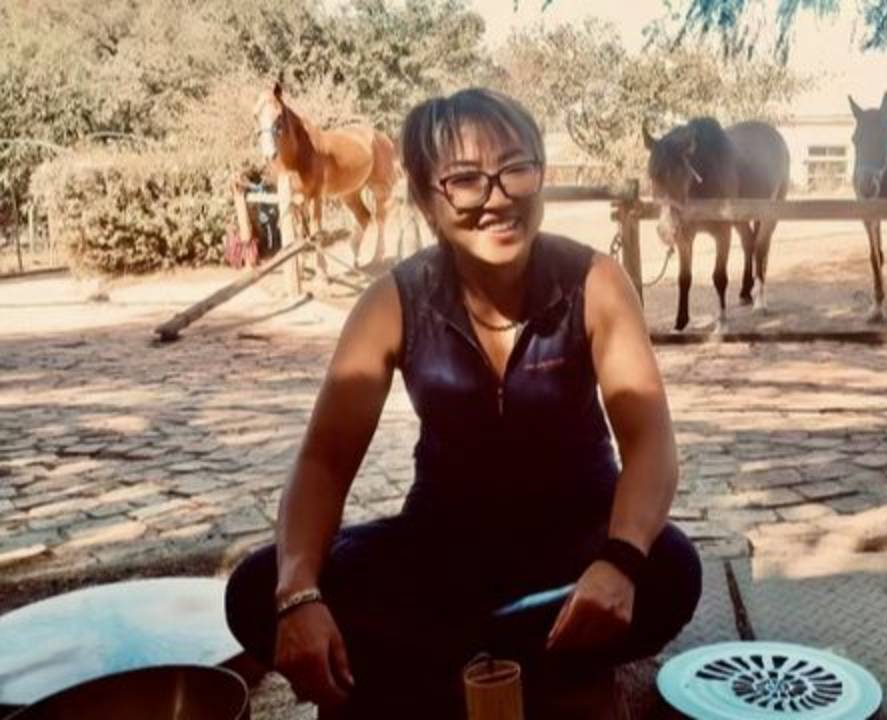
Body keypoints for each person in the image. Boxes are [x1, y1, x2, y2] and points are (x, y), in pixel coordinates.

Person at [223, 88, 701, 718]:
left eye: (517, 169)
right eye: (466, 180)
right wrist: (298, 596)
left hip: (576, 547)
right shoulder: (394, 301)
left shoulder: (595, 283)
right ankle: (531, 667)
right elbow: (324, 461)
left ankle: (442, 671)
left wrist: (618, 561)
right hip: (440, 554)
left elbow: (651, 447)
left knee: (669, 567)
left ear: (541, 176)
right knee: (256, 589)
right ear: (425, 198)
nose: (498, 197)